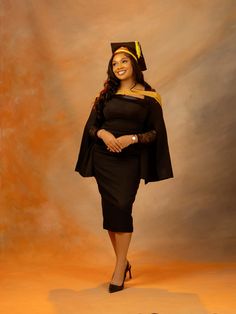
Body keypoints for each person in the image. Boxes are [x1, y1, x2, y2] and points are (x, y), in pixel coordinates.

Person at [75, 41, 173, 293]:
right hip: (103, 159)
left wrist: (132, 139)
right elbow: (91, 127)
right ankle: (123, 262)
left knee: (122, 206)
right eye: (114, 63)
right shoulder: (105, 95)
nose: (118, 66)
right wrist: (104, 134)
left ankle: (120, 265)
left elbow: (156, 133)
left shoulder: (149, 97)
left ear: (135, 65)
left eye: (124, 61)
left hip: (129, 161)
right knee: (111, 212)